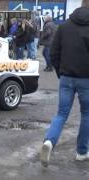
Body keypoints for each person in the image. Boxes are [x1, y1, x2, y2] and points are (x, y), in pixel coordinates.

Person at [40, 0, 89, 167]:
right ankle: (82, 152)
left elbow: (53, 52)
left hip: (66, 77)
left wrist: (61, 72)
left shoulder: (64, 26)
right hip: (86, 79)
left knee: (61, 114)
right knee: (87, 114)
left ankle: (49, 142)